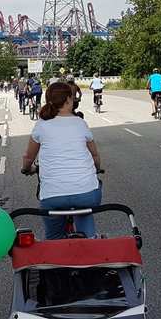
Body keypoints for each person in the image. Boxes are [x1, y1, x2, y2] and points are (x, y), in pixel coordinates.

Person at [22, 82, 102, 239]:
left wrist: (26, 169)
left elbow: (28, 157)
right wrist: (97, 168)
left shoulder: (41, 125)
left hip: (53, 197)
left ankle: (56, 251)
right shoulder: (80, 123)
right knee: (85, 209)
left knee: (54, 236)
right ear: (68, 100)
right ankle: (90, 239)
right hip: (87, 194)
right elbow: (95, 156)